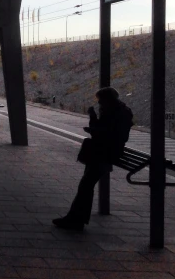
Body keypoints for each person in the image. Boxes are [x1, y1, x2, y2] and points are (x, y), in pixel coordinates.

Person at [53, 87, 133, 231]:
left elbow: (104, 133)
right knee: (86, 185)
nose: (100, 103)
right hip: (104, 152)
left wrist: (93, 122)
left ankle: (75, 220)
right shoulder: (121, 111)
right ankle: (76, 218)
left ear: (107, 99)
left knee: (85, 185)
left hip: (103, 153)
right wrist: (94, 119)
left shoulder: (114, 113)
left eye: (101, 100)